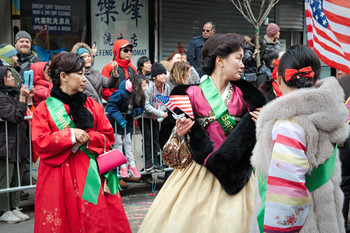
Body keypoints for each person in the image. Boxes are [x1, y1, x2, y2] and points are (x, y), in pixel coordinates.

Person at [138, 33, 266, 233]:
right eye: (239, 58)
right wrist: (179, 134)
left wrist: (262, 130)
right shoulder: (188, 94)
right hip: (197, 174)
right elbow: (170, 153)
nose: (243, 64)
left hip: (237, 175)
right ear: (220, 60)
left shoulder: (248, 96)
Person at [250, 44, 348, 233]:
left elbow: (285, 195)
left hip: (301, 225)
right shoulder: (327, 115)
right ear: (316, 78)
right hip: (325, 219)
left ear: (278, 79)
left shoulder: (288, 125)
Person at [31, 52, 131, 233]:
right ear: (63, 76)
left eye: (85, 73)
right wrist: (68, 135)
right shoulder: (44, 109)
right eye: (80, 74)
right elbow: (40, 142)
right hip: (59, 178)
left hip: (91, 175)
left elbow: (108, 137)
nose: (84, 79)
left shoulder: (92, 106)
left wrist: (86, 138)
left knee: (96, 222)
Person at [0, 67, 34, 223]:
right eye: (8, 76)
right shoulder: (1, 98)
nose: (13, 78)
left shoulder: (11, 94)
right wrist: (21, 99)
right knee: (5, 178)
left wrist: (26, 99)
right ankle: (3, 210)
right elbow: (15, 116)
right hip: (6, 144)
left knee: (16, 177)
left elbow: (22, 112)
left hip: (18, 143)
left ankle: (14, 207)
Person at [106, 75, 146, 181]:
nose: (145, 88)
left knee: (128, 142)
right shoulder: (120, 93)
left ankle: (131, 164)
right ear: (136, 86)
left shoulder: (138, 95)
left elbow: (141, 107)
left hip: (127, 122)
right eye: (143, 85)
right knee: (118, 143)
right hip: (116, 122)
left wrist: (133, 112)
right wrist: (120, 120)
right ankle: (121, 165)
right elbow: (111, 107)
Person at [138, 62, 170, 173]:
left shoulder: (166, 87)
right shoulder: (149, 87)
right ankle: (148, 162)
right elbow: (146, 105)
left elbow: (165, 102)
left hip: (155, 116)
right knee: (147, 138)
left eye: (165, 74)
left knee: (156, 138)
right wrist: (159, 113)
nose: (164, 76)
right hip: (144, 116)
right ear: (154, 77)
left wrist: (157, 113)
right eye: (161, 74)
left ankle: (156, 161)